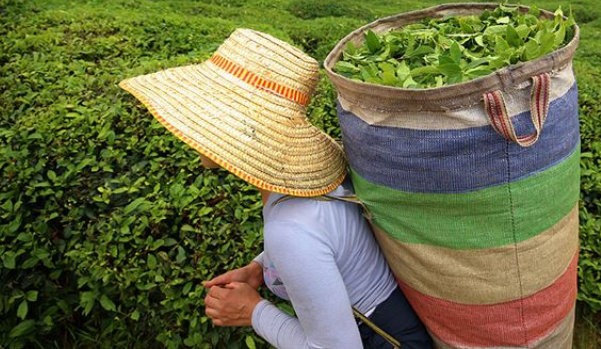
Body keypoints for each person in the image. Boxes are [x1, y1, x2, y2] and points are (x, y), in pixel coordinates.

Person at [119, 29, 432, 348]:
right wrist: (260, 268)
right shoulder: (316, 189)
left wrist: (251, 311)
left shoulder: (290, 230)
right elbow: (329, 241)